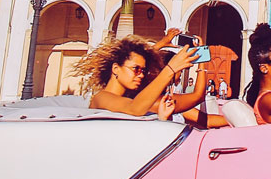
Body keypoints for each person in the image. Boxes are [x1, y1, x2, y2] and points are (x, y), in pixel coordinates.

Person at [77, 36, 228, 127]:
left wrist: (200, 61)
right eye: (136, 69)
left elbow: (196, 97)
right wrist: (170, 69)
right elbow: (135, 109)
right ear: (116, 69)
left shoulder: (138, 99)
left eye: (143, 71)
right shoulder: (101, 98)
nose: (141, 75)